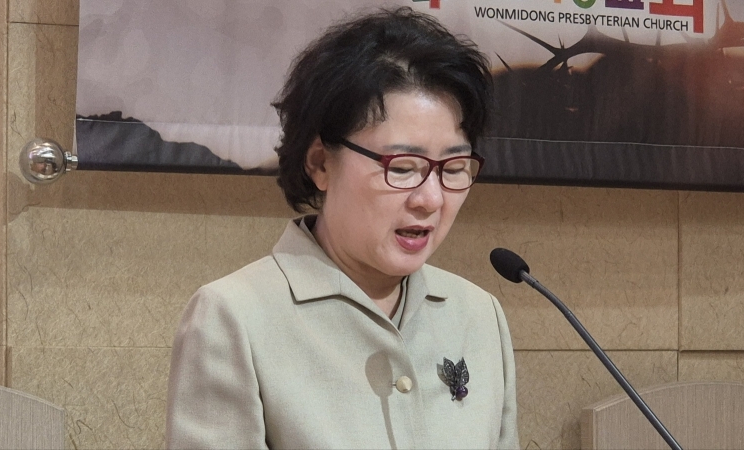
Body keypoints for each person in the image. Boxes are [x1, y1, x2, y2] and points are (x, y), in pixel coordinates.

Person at [166, 6, 519, 449]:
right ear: (320, 163)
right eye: (402, 167)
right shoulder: (234, 317)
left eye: (453, 168)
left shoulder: (479, 315)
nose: (430, 199)